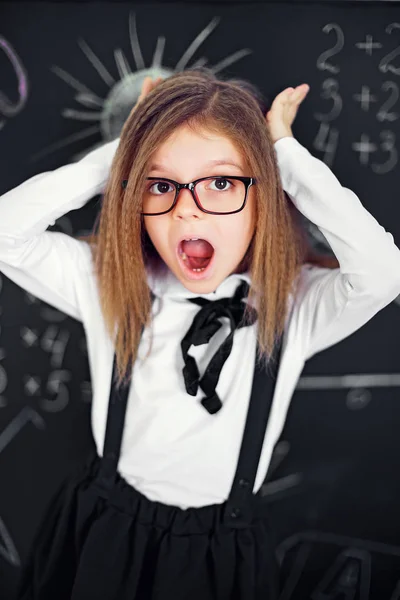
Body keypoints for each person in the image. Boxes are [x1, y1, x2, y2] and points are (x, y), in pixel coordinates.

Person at [1, 67, 399, 600]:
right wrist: (129, 145)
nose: (187, 206)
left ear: (264, 193)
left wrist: (282, 153)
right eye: (160, 184)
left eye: (221, 182)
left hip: (223, 553)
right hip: (104, 531)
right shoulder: (110, 286)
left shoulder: (292, 305)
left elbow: (383, 272)